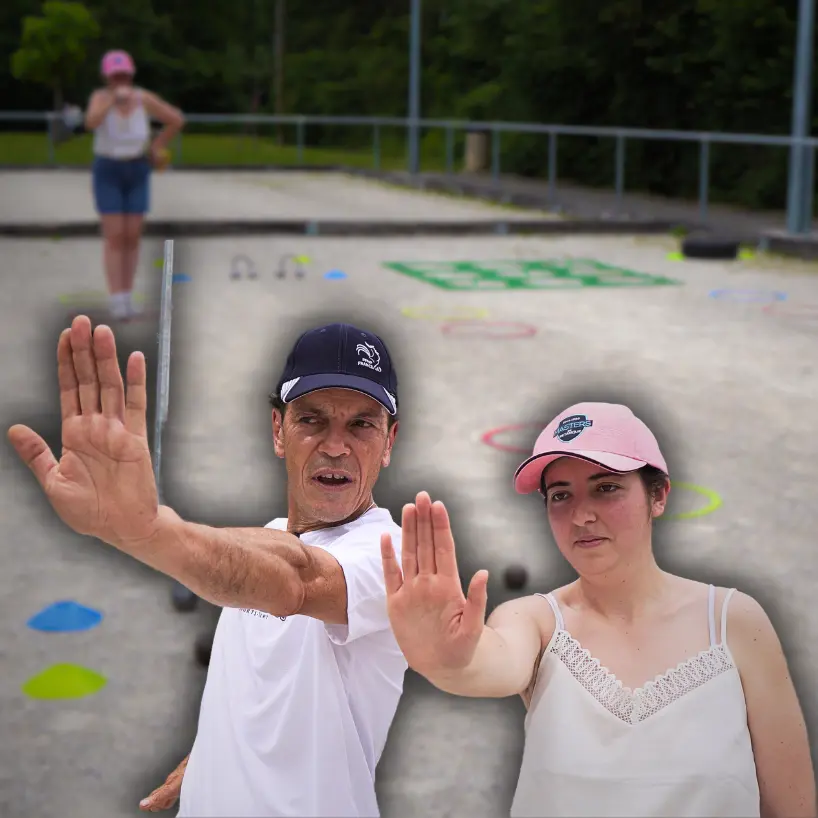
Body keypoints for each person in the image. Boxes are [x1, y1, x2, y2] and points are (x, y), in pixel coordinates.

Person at [8, 316, 407, 817]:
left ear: (389, 441)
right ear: (278, 429)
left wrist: (146, 530)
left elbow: (297, 580)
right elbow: (269, 677)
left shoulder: (396, 556)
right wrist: (214, 754)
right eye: (311, 419)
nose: (334, 446)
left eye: (361, 424)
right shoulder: (269, 533)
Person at [380, 402, 816, 817]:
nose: (581, 515)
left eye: (606, 488)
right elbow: (489, 663)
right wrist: (444, 661)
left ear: (658, 495)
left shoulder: (737, 623)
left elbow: (793, 806)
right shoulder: (534, 621)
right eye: (560, 495)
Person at [84, 50, 184, 321]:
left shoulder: (143, 99)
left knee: (132, 235)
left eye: (124, 75)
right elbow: (91, 122)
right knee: (115, 235)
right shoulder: (100, 98)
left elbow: (176, 119)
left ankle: (128, 296)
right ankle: (117, 298)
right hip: (108, 169)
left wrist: (156, 145)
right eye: (115, 76)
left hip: (137, 168)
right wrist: (112, 102)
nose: (121, 80)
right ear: (107, 77)